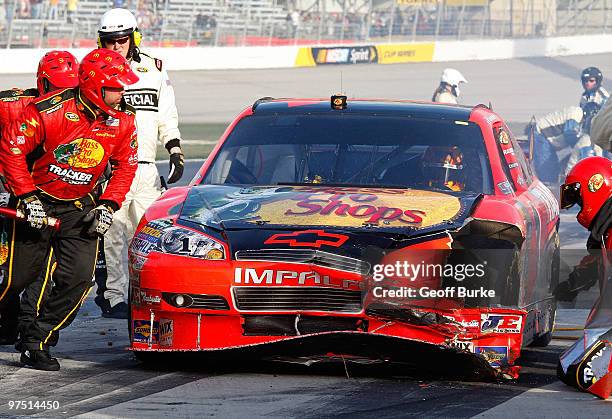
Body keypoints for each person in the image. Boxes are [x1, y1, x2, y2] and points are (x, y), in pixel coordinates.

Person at [0, 48, 139, 371]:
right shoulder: (46, 110)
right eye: (116, 88)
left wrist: (109, 204)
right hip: (37, 202)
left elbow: (125, 166)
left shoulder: (123, 120)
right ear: (94, 86)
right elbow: (12, 150)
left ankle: (38, 340)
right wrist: (27, 196)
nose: (121, 94)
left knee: (79, 279)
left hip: (82, 208)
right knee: (18, 279)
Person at [94, 8, 184, 319]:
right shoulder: (93, 70)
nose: (116, 46)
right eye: (109, 41)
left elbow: (166, 115)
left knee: (147, 236)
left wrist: (174, 148)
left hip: (146, 167)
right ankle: (116, 297)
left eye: (121, 39)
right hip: (111, 168)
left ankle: (144, 294)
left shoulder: (155, 69)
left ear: (133, 37)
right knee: (114, 235)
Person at [0, 50, 80, 346]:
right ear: (43, 83)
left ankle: (31, 327)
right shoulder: (13, 104)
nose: (64, 94)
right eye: (59, 87)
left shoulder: (82, 113)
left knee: (49, 268)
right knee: (9, 272)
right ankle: (9, 325)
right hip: (16, 197)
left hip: (56, 203)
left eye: (71, 88)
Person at [526, 106, 584, 183]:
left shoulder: (580, 120)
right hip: (540, 134)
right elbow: (569, 132)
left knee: (554, 169)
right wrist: (578, 145)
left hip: (549, 140)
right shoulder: (577, 113)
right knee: (547, 172)